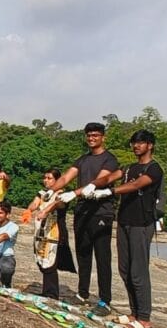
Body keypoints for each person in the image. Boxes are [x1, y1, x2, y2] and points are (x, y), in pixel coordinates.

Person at [91, 130, 164, 328]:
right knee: (125, 269)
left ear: (150, 145)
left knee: (138, 271)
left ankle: (144, 319)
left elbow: (137, 184)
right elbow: (109, 177)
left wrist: (110, 191)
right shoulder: (129, 168)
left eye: (141, 143)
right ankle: (134, 313)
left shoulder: (154, 168)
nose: (136, 146)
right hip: (124, 222)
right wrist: (91, 186)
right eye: (134, 142)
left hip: (142, 223)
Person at [52, 122, 121, 315]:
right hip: (82, 211)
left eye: (96, 135)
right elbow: (66, 177)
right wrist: (51, 190)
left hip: (101, 212)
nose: (92, 138)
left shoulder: (109, 160)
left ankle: (104, 300)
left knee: (102, 257)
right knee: (83, 254)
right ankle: (82, 293)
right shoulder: (82, 160)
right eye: (89, 135)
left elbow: (98, 182)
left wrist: (73, 194)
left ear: (103, 137)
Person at [22, 167, 77, 299]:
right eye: (45, 178)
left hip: (54, 232)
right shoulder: (42, 193)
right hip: (41, 231)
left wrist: (46, 210)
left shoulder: (61, 194)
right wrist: (29, 210)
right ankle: (47, 290)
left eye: (49, 178)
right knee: (41, 260)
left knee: (50, 262)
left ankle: (51, 293)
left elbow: (59, 204)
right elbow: (35, 203)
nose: (46, 180)